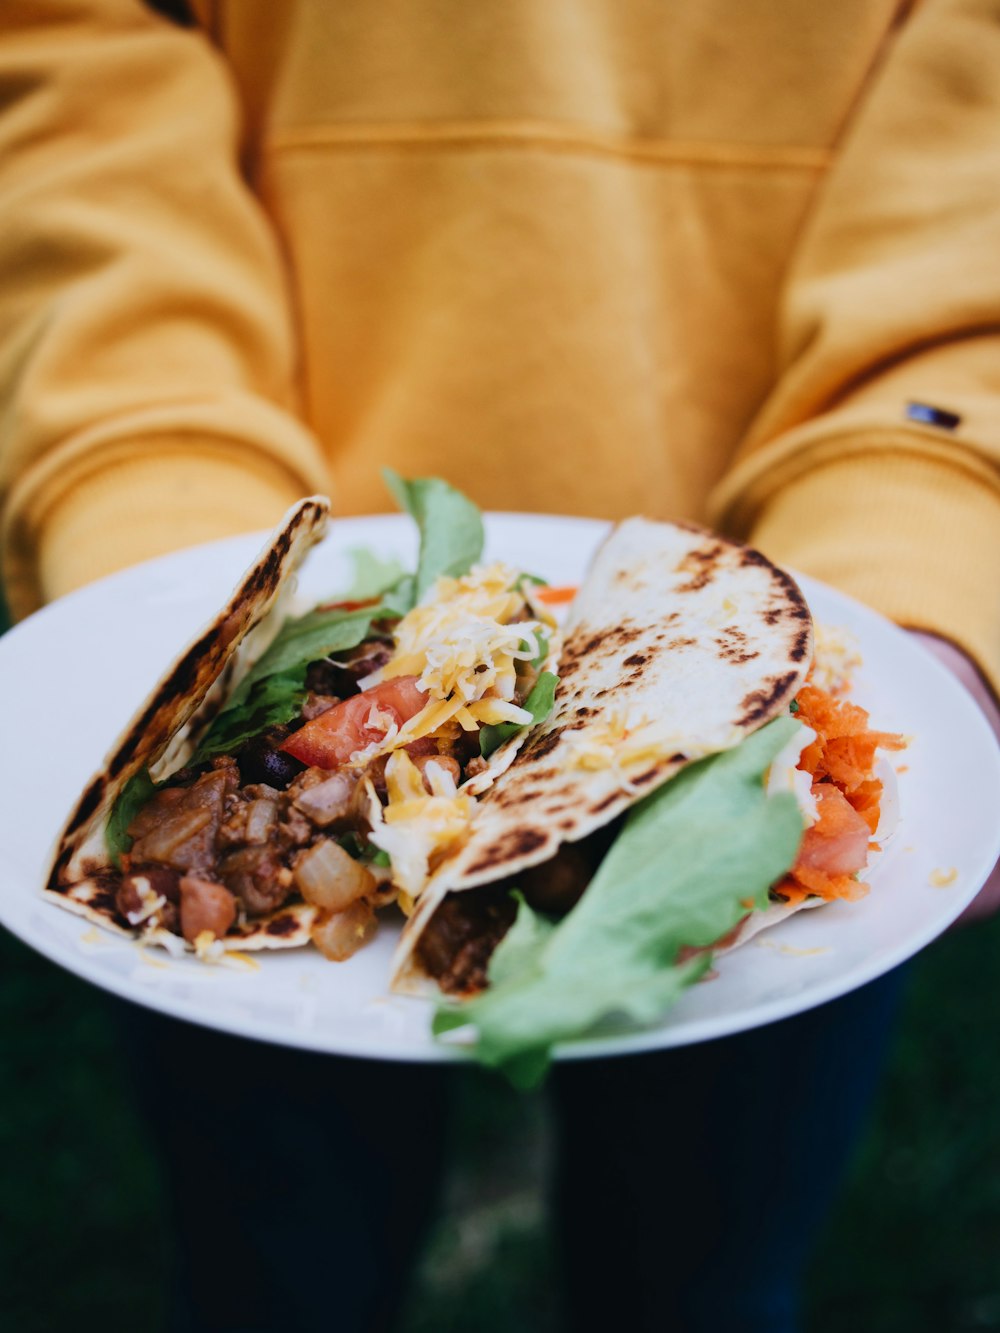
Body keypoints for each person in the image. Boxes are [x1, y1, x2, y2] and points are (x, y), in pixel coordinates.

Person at [1, 2, 997, 1330]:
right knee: (279, 1265)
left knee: (704, 1274)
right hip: (279, 543)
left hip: (797, 614)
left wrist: (919, 535)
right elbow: (73, 65)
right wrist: (171, 554)